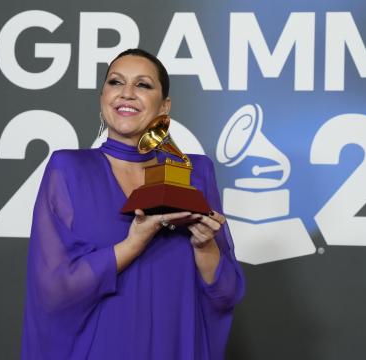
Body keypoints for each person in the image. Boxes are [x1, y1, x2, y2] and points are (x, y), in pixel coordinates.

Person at [21, 48, 245, 360]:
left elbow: (226, 292)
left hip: (175, 345)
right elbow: (55, 290)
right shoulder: (68, 169)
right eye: (116, 82)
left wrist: (204, 245)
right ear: (102, 96)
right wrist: (133, 243)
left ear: (164, 105)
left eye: (143, 85)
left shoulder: (195, 172)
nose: (127, 93)